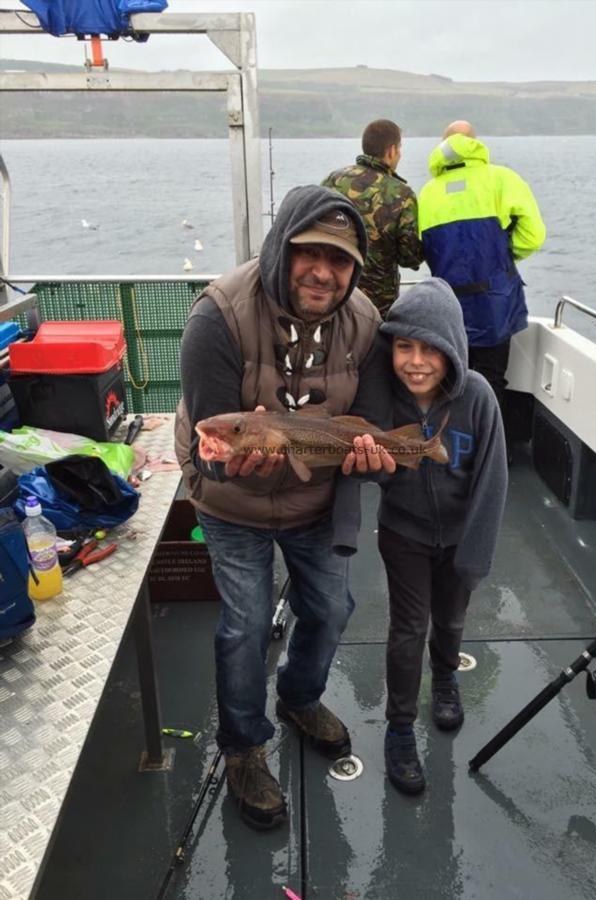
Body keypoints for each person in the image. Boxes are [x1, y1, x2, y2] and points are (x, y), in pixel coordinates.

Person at [175, 184, 395, 831]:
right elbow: (212, 442)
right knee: (243, 625)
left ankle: (299, 698)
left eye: (341, 261)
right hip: (230, 500)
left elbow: (375, 419)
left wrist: (372, 453)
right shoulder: (216, 316)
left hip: (314, 496)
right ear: (281, 249)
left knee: (330, 607)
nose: (324, 273)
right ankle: (244, 746)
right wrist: (227, 460)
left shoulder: (364, 322)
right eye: (309, 254)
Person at [376, 277, 508, 795]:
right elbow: (373, 475)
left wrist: (473, 557)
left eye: (431, 349)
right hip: (402, 531)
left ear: (453, 349)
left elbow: (492, 483)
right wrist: (378, 467)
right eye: (404, 346)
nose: (416, 361)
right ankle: (400, 726)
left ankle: (447, 675)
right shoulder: (384, 398)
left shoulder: (477, 397)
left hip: (459, 536)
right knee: (407, 629)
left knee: (450, 619)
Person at [417, 120, 545, 416]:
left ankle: (449, 447)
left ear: (442, 147)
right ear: (474, 143)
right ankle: (489, 450)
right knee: (491, 379)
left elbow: (419, 246)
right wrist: (503, 256)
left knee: (449, 379)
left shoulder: (427, 193)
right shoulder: (502, 179)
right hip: (495, 302)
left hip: (447, 304)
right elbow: (533, 235)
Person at [322, 118, 424, 313]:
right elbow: (409, 257)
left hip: (333, 295)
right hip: (377, 305)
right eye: (399, 149)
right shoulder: (401, 194)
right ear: (392, 150)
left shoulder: (333, 180)